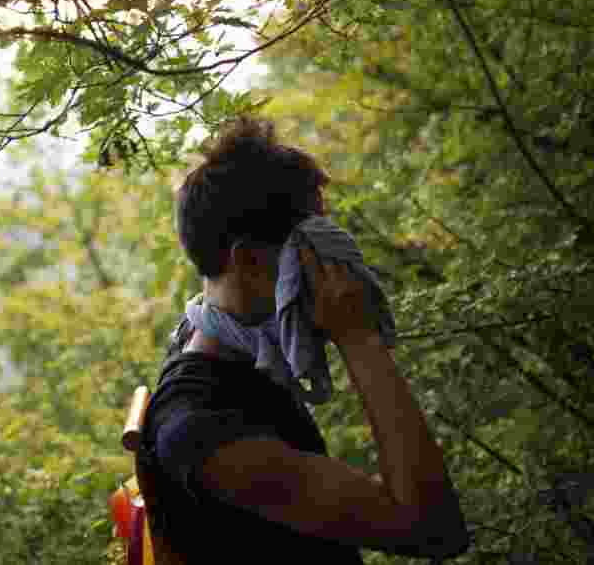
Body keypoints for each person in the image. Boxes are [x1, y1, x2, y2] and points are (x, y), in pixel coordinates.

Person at [136, 116, 469, 563]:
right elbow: (434, 529)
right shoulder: (201, 426)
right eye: (312, 244)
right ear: (250, 260)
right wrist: (358, 340)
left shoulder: (236, 349)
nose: (330, 261)